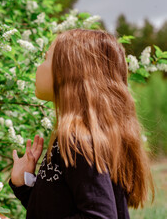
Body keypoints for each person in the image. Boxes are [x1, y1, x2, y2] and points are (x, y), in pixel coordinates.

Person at [9, 29, 155, 219]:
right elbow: (52, 211)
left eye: (46, 59)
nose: (38, 67)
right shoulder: (74, 139)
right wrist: (23, 184)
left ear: (68, 72)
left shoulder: (78, 141)